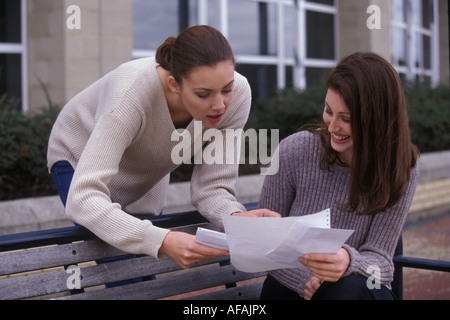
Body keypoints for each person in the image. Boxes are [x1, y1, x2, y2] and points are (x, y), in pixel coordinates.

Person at [47, 25, 278, 271]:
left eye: (227, 89)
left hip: (150, 166)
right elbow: (83, 199)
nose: (220, 105)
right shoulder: (129, 93)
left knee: (145, 274)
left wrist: (237, 220)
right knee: (126, 275)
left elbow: (212, 189)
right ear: (174, 84)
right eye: (203, 94)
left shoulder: (239, 95)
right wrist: (163, 240)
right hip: (79, 156)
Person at [258, 52, 420, 300]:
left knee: (347, 290)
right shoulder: (293, 151)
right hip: (292, 288)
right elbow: (265, 243)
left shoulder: (401, 166)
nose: (332, 126)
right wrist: (308, 282)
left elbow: (382, 264)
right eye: (328, 110)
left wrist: (348, 261)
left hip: (360, 289)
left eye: (346, 119)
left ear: (376, 120)